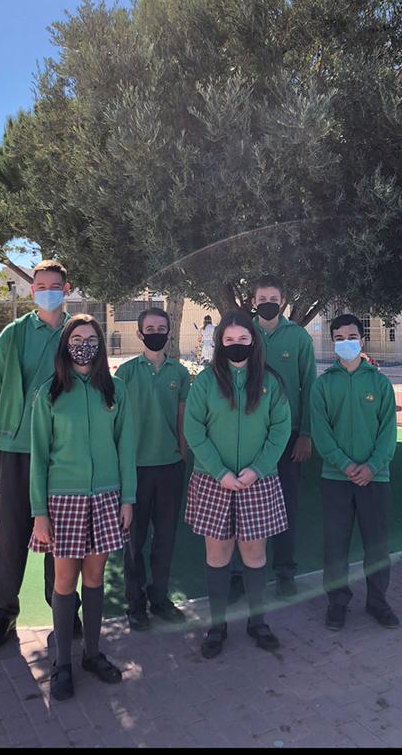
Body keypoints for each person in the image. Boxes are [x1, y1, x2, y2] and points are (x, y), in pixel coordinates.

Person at [30, 314, 136, 701]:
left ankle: (92, 653)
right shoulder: (50, 393)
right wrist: (39, 511)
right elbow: (39, 456)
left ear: (101, 344)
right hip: (63, 500)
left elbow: (126, 447)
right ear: (65, 343)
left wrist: (128, 499)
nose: (84, 344)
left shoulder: (115, 390)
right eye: (77, 337)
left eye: (92, 338)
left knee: (94, 578)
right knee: (63, 581)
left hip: (106, 496)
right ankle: (61, 664)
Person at [0, 259, 80, 652]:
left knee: (63, 536)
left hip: (63, 452)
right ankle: (3, 614)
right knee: (12, 534)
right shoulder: (13, 334)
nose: (47, 291)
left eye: (55, 285)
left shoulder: (79, 332)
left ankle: (64, 608)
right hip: (17, 448)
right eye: (40, 286)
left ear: (66, 288)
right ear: (32, 290)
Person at [184, 309, 292, 659]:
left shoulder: (271, 382)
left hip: (256, 482)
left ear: (253, 341)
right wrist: (220, 472)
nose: (236, 345)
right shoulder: (205, 382)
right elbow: (194, 431)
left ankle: (257, 623)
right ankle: (217, 627)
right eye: (228, 340)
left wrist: (257, 469)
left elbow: (280, 430)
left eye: (242, 339)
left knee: (254, 554)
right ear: (219, 344)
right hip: (214, 481)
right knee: (217, 556)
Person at [310, 313, 399, 632]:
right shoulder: (323, 385)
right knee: (335, 544)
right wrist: (346, 465)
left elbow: (388, 432)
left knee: (376, 544)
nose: (345, 343)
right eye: (339, 338)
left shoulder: (379, 383)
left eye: (351, 337)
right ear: (332, 343)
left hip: (376, 479)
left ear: (362, 340)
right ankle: (337, 603)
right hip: (335, 480)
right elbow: (321, 435)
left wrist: (372, 466)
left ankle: (378, 601)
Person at [115, 307, 191, 631]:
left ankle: (159, 599)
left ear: (169, 332)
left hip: (170, 468)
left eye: (162, 327)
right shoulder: (125, 374)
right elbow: (115, 423)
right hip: (134, 471)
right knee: (134, 542)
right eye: (150, 327)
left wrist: (183, 454)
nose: (156, 332)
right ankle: (135, 604)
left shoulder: (180, 373)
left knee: (166, 538)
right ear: (140, 333)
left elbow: (182, 419)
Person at [251, 275, 317, 599]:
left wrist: (306, 433)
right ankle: (245, 573)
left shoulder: (299, 338)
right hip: (250, 436)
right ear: (253, 301)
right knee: (247, 504)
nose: (268, 302)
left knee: (287, 505)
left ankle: (285, 571)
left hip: (289, 437)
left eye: (273, 297)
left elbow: (310, 387)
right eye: (262, 296)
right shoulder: (243, 334)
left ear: (282, 300)